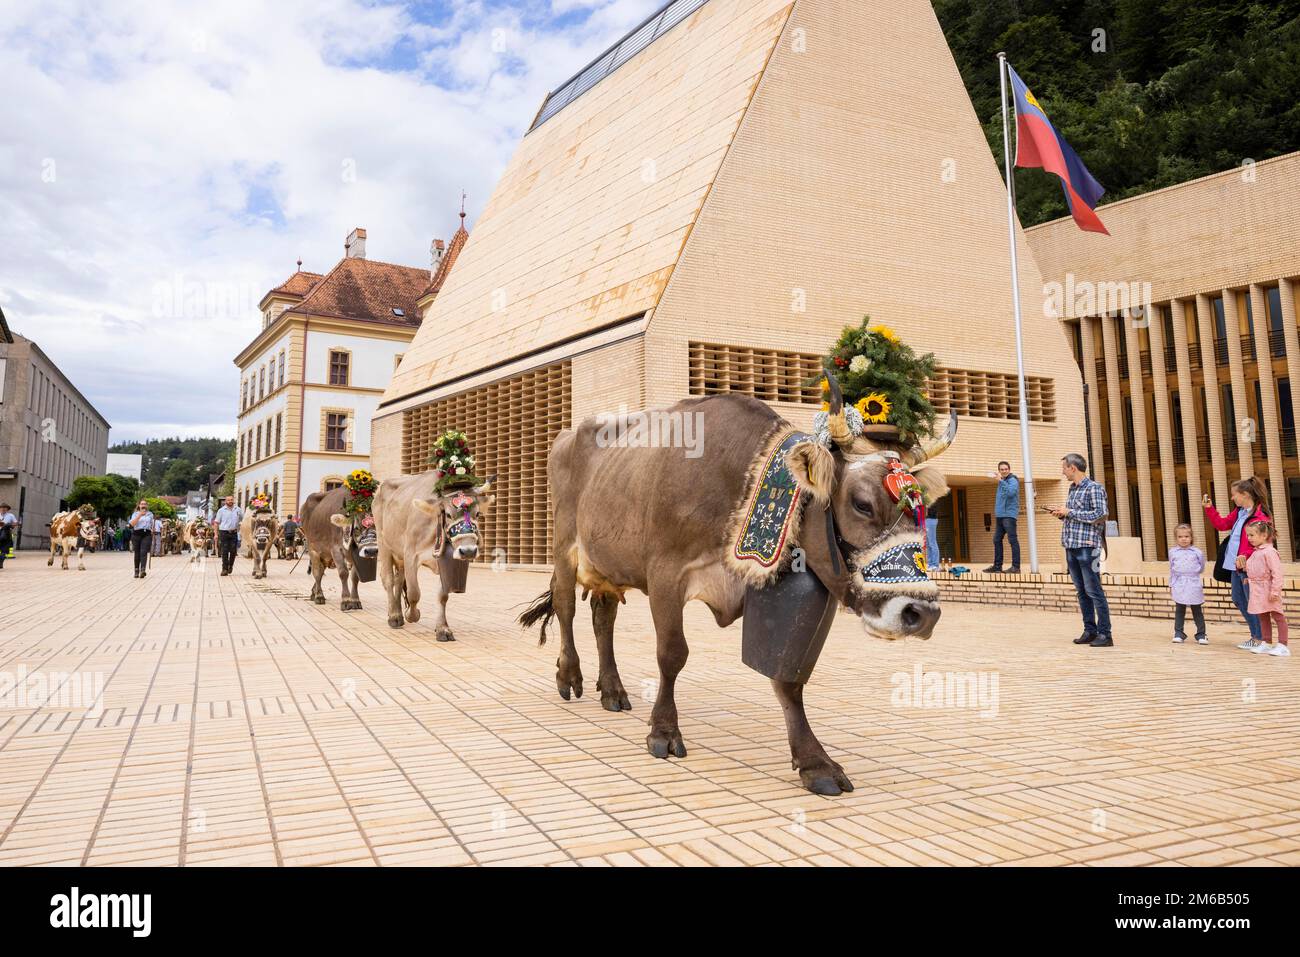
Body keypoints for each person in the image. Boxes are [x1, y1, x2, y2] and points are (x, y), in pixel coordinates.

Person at [1049, 453, 1113, 647]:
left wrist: (1070, 512)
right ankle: (1090, 631)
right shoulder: (1072, 489)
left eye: (1064, 468)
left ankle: (1105, 634)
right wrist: (1061, 514)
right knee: (1082, 591)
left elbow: (1101, 514)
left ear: (1073, 468)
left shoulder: (1094, 488)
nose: (1063, 472)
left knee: (1094, 590)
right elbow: (1074, 516)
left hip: (1088, 546)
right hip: (1071, 545)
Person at [1204, 478, 1270, 650]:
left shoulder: (1260, 516)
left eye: (1234, 495)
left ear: (1245, 494)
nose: (1232, 498)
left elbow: (1263, 542)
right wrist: (1209, 509)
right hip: (1236, 566)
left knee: (1252, 602)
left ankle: (1260, 638)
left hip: (1249, 567)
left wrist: (1245, 555)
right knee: (1239, 599)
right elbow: (1222, 524)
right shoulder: (1240, 512)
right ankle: (1256, 635)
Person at [1244, 520, 1288, 658]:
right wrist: (1249, 578)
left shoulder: (1269, 552)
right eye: (1248, 535)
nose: (1249, 538)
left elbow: (1277, 573)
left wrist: (1275, 591)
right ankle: (1267, 642)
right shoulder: (1256, 552)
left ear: (1263, 535)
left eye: (1252, 535)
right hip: (1257, 590)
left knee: (1278, 616)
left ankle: (1283, 645)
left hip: (1269, 590)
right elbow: (1258, 570)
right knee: (1262, 616)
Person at [1168, 523, 1207, 645]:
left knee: (1197, 609)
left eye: (1186, 536)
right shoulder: (1173, 552)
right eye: (1180, 537)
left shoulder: (1197, 552)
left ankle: (1201, 634)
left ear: (1191, 537)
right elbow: (1172, 568)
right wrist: (1171, 584)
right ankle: (1178, 633)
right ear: (1176, 538)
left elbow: (1201, 567)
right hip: (1179, 583)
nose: (1183, 539)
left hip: (1193, 582)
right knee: (1180, 608)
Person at [983, 460, 1021, 574]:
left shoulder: (1013, 480)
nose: (1004, 471)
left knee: (1012, 540)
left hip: (1009, 515)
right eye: (1001, 469)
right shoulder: (1003, 481)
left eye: (1006, 469)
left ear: (1009, 469)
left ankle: (1016, 567)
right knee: (996, 539)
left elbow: (1011, 493)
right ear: (999, 470)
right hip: (1000, 516)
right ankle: (997, 566)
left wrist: (1001, 481)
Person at [212, 495, 243, 576]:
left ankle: (230, 565)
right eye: (228, 500)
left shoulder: (238, 510)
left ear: (234, 500)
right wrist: (215, 534)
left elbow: (242, 520)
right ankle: (224, 569)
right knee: (224, 551)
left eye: (231, 500)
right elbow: (216, 523)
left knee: (233, 551)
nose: (230, 501)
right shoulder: (221, 511)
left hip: (234, 533)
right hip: (224, 532)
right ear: (225, 501)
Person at [127, 499, 155, 578]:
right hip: (136, 534)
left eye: (145, 504)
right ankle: (136, 570)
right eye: (142, 504)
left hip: (146, 534)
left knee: (144, 552)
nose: (143, 505)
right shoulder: (135, 514)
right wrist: (140, 515)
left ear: (147, 506)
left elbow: (151, 524)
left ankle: (143, 570)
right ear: (139, 505)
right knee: (137, 553)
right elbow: (132, 524)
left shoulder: (150, 514)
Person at [0, 503, 18, 570]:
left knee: (4, 550)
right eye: (2, 507)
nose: (3, 509)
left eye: (5, 508)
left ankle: (1, 562)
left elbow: (15, 523)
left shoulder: (11, 515)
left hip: (6, 533)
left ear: (7, 509)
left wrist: (9, 525)